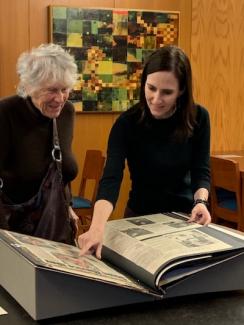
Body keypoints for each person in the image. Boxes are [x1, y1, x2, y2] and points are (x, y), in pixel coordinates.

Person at [78, 45, 211, 257]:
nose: (157, 99)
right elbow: (111, 179)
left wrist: (201, 202)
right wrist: (96, 228)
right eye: (151, 88)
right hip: (139, 216)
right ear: (143, 84)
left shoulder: (199, 118)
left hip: (183, 218)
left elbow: (201, 170)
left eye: (167, 92)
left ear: (182, 90)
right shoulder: (127, 123)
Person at [0, 43, 79, 244]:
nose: (59, 98)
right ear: (28, 86)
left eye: (65, 89)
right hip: (13, 231)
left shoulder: (66, 112)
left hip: (54, 228)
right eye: (51, 90)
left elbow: (59, 170)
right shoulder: (6, 113)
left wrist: (66, 205)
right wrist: (6, 239)